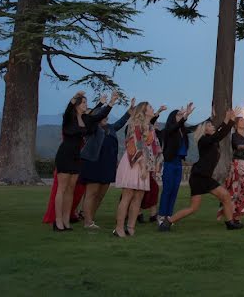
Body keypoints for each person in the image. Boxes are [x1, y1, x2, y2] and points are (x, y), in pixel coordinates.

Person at [159, 107, 238, 231]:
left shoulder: (211, 141)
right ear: (204, 130)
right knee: (223, 197)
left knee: (214, 201)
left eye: (213, 126)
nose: (213, 127)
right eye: (210, 126)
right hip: (200, 176)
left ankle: (167, 222)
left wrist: (228, 121)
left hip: (201, 176)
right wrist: (228, 120)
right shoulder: (204, 140)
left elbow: (219, 133)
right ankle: (230, 223)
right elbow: (219, 134)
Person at [51, 91, 116, 231]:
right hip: (65, 154)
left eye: (86, 103)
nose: (86, 105)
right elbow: (69, 108)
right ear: (77, 105)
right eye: (84, 103)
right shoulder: (69, 117)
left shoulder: (85, 119)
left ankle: (66, 220)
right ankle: (58, 221)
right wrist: (74, 97)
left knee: (70, 189)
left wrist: (110, 103)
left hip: (77, 156)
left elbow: (98, 115)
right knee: (62, 189)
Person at [78, 95, 135, 230]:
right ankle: (87, 221)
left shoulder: (110, 128)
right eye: (104, 115)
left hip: (108, 165)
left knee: (100, 195)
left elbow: (120, 123)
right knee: (91, 193)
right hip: (93, 163)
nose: (106, 117)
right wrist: (107, 104)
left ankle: (90, 217)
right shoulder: (91, 128)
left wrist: (129, 112)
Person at [113, 102, 163, 237]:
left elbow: (155, 148)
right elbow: (135, 145)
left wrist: (154, 166)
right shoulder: (135, 125)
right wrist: (142, 165)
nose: (153, 109)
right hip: (133, 163)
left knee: (139, 197)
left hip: (145, 165)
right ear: (144, 111)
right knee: (128, 195)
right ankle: (119, 228)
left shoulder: (151, 128)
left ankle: (131, 227)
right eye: (151, 107)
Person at [157, 102, 199, 227]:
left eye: (182, 114)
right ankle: (161, 215)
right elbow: (174, 128)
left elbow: (195, 127)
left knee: (175, 190)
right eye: (179, 114)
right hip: (170, 162)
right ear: (173, 117)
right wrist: (185, 116)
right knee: (167, 190)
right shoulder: (169, 130)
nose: (181, 116)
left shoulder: (182, 130)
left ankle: (169, 215)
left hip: (178, 164)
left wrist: (211, 118)